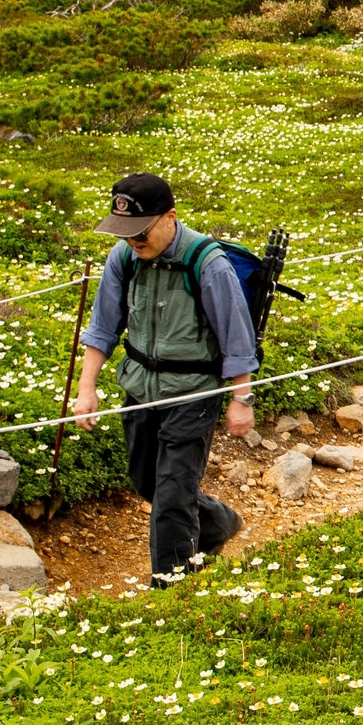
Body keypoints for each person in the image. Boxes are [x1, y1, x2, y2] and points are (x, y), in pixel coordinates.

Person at [71, 172, 253, 587]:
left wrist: (241, 399)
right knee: (146, 481)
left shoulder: (208, 264)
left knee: (171, 495)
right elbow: (102, 328)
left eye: (141, 232)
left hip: (194, 394)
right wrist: (87, 389)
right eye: (125, 232)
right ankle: (217, 523)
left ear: (170, 217)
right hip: (140, 389)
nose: (133, 241)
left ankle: (171, 588)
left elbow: (238, 342)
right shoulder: (122, 259)